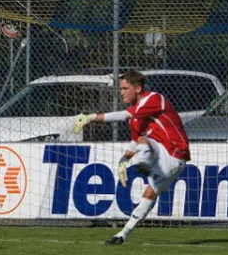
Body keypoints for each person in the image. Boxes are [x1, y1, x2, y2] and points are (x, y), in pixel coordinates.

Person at [73, 70, 190, 245]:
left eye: (125, 88)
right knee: (149, 194)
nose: (121, 92)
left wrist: (92, 117)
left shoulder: (154, 99)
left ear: (138, 88)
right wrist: (123, 160)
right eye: (120, 89)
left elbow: (126, 115)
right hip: (162, 154)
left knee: (145, 143)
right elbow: (135, 142)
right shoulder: (137, 117)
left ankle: (144, 164)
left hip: (175, 152)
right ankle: (122, 234)